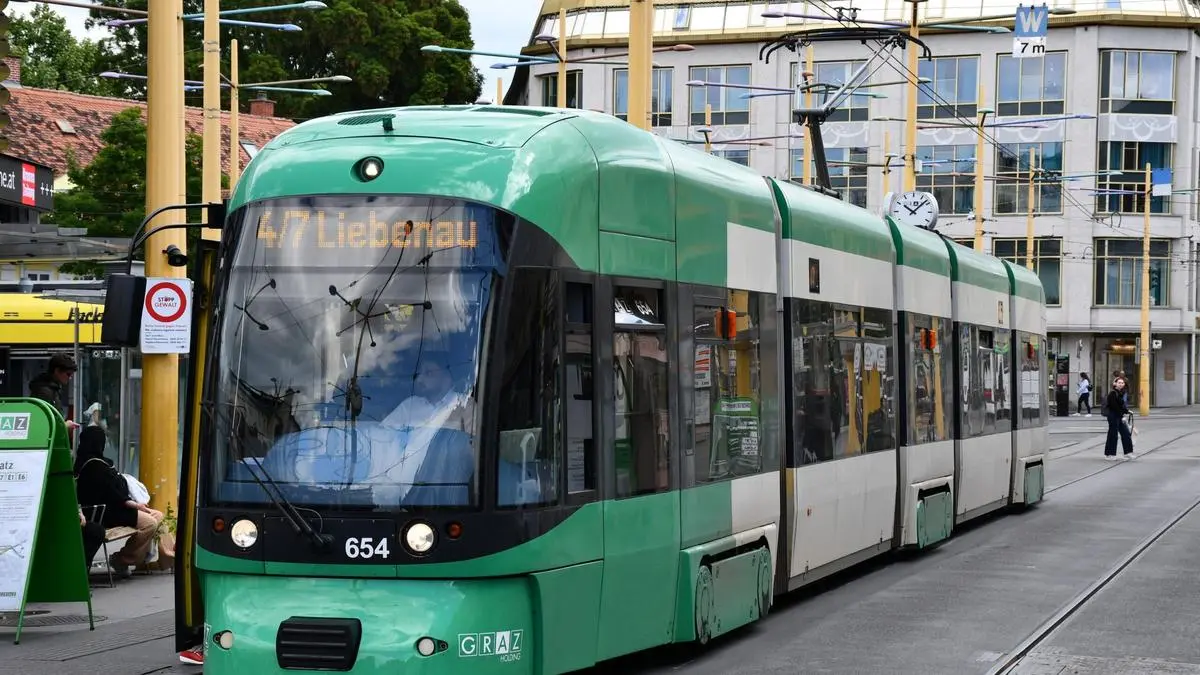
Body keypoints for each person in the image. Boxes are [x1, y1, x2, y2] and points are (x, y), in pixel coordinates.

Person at [73, 426, 163, 578]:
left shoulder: (96, 463)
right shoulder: (94, 466)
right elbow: (113, 494)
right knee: (150, 523)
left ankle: (140, 559)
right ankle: (122, 559)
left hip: (115, 508)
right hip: (107, 513)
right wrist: (135, 505)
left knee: (158, 515)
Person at [28, 352, 80, 433]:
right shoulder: (44, 392)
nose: (70, 378)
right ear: (57, 371)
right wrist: (64, 426)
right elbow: (42, 422)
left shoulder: (53, 389)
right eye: (68, 374)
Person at [1103, 376, 1135, 461]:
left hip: (1119, 416)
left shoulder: (1121, 393)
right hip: (1113, 416)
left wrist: (1127, 411)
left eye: (1122, 383)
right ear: (1115, 384)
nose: (1121, 384)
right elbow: (1114, 406)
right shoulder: (1112, 393)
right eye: (1119, 383)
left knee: (1126, 434)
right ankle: (1109, 454)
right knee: (1113, 435)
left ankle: (1128, 453)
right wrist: (1122, 415)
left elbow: (1121, 406)